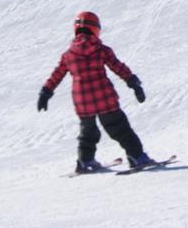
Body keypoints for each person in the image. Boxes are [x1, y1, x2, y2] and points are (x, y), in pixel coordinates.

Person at [38, 11, 155, 173]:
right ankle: (137, 156)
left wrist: (45, 92)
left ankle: (85, 161)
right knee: (121, 129)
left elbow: (57, 74)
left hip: (83, 103)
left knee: (88, 134)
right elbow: (118, 67)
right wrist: (133, 82)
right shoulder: (101, 50)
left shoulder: (68, 55)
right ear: (95, 28)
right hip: (105, 99)